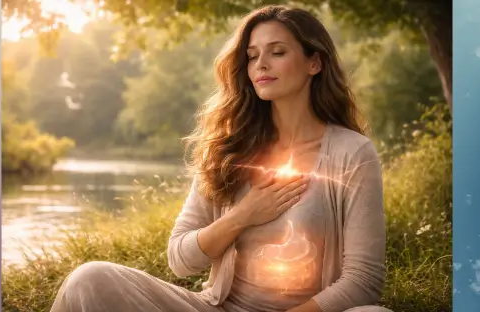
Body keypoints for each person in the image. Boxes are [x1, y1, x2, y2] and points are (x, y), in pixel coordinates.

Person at [50, 5, 392, 312]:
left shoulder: (353, 153)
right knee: (89, 278)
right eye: (252, 55)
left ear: (314, 62)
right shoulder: (230, 148)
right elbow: (180, 260)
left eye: (278, 52)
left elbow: (363, 281)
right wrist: (242, 216)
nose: (261, 64)